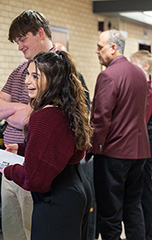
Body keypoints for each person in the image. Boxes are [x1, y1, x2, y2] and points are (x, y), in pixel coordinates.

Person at [0, 50, 93, 240]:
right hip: (76, 189)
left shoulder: (45, 116)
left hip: (57, 200)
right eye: (28, 74)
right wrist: (24, 148)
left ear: (53, 80)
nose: (27, 81)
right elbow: (61, 148)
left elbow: (35, 180)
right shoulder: (66, 107)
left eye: (35, 76)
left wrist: (9, 170)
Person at [0, 10, 56, 240]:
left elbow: (36, 118)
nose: (19, 47)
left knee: (31, 230)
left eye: (22, 39)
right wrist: (20, 109)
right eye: (16, 42)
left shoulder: (57, 68)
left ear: (40, 33)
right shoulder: (20, 69)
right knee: (12, 231)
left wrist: (14, 112)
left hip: (33, 162)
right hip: (10, 161)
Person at [87, 29, 150, 240]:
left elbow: (100, 120)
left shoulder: (108, 76)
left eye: (99, 47)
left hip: (113, 153)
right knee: (133, 208)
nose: (96, 52)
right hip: (139, 152)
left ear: (113, 48)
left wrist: (91, 149)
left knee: (110, 214)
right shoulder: (140, 74)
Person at [130, 50, 152, 240]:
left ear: (145, 67)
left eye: (134, 64)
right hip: (139, 145)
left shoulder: (147, 90)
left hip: (145, 146)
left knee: (145, 192)